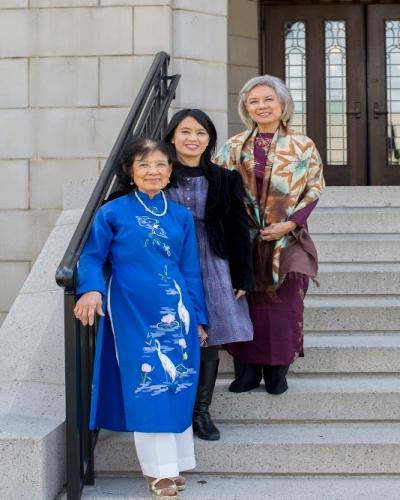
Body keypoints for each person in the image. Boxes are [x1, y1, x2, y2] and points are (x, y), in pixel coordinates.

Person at [74, 137, 208, 500]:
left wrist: (198, 318)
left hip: (176, 310)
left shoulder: (180, 215)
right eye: (144, 165)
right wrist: (91, 289)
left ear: (170, 171)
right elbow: (90, 257)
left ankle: (177, 463)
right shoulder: (113, 212)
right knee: (149, 381)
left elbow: (190, 271)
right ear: (130, 172)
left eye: (161, 164)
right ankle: (157, 472)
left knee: (178, 379)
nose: (154, 171)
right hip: (131, 308)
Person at [215, 75, 325, 395]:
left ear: (282, 105)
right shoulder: (233, 146)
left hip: (288, 238)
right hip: (244, 238)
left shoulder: (302, 145)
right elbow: (219, 189)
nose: (262, 106)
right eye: (254, 101)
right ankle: (247, 372)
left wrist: (289, 224)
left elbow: (313, 189)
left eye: (268, 100)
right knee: (245, 303)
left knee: (285, 304)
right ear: (246, 108)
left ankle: (278, 372)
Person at [164, 109, 253, 441]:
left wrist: (243, 275)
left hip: (212, 262)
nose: (193, 139)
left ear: (210, 140)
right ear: (172, 137)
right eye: (185, 132)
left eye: (201, 133)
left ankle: (200, 411)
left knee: (208, 339)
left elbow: (238, 228)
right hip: (169, 262)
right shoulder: (160, 174)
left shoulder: (225, 178)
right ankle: (172, 406)